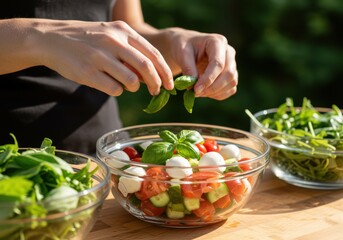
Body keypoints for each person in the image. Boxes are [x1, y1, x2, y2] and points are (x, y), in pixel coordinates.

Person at [0, 0, 238, 155]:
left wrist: (176, 42)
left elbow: (130, 28)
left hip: (107, 158)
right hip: (12, 161)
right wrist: (41, 38)